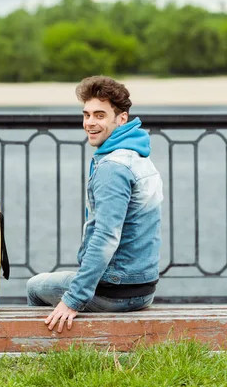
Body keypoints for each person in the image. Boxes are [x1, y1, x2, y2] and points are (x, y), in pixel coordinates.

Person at [26, 75, 163, 333]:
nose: (90, 123)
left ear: (121, 119)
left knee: (35, 286)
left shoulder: (113, 167)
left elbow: (106, 237)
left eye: (100, 115)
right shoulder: (140, 158)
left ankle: (43, 354)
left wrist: (73, 300)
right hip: (144, 288)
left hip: (117, 292)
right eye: (86, 115)